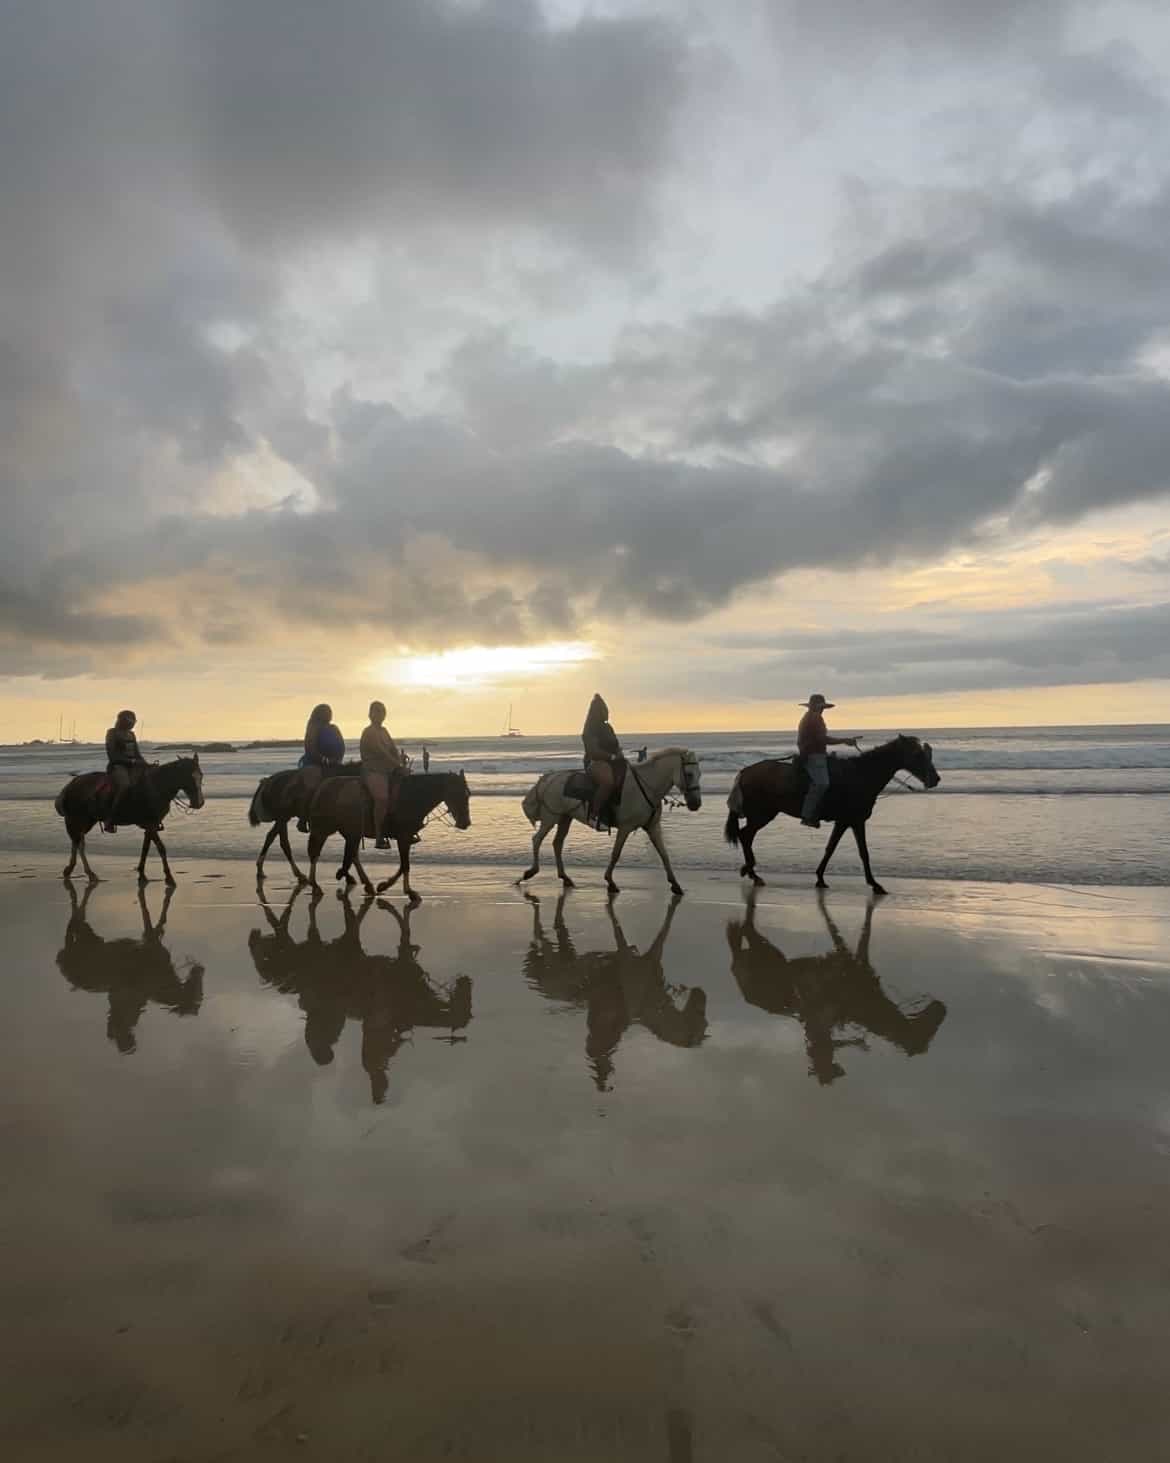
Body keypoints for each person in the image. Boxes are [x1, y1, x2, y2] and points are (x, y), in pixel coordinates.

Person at [797, 694, 859, 828]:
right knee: (821, 784)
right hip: (813, 756)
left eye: (822, 707)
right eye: (821, 707)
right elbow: (822, 739)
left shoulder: (809, 717)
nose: (822, 710)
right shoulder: (815, 718)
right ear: (816, 707)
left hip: (815, 754)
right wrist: (844, 740)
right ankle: (807, 815)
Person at [360, 701, 405, 848]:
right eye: (376, 711)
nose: (379, 715)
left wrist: (400, 763)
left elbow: (393, 749)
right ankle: (379, 836)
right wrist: (397, 765)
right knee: (382, 798)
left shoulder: (384, 731)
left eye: (381, 712)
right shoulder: (369, 732)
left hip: (388, 770)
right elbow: (381, 751)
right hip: (373, 770)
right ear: (370, 714)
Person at [297, 704, 344, 833]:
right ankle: (303, 819)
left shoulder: (333, 728)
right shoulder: (313, 727)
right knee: (313, 786)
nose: (329, 715)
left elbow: (341, 745)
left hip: (333, 762)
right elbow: (310, 748)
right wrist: (324, 760)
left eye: (330, 712)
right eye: (326, 713)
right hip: (313, 763)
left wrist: (337, 759)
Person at [582, 693, 624, 829]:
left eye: (607, 710)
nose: (607, 713)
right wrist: (611, 757)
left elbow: (615, 744)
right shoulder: (590, 729)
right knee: (608, 782)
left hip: (613, 761)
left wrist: (619, 752)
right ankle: (593, 815)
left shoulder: (608, 727)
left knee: (632, 776)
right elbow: (593, 751)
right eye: (604, 711)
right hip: (595, 762)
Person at [103, 709, 148, 832]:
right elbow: (112, 754)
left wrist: (145, 763)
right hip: (118, 766)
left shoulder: (131, 734)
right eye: (131, 720)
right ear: (122, 721)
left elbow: (137, 753)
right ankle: (110, 819)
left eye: (134, 720)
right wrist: (131, 762)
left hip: (134, 766)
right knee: (125, 786)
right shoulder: (112, 733)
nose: (133, 723)